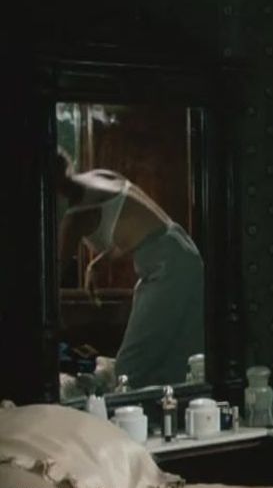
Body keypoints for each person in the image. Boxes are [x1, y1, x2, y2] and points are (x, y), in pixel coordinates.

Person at [55, 148, 204, 389]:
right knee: (179, 355)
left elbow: (53, 274)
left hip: (165, 265)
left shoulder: (75, 217)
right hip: (182, 247)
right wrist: (97, 263)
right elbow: (137, 228)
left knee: (131, 367)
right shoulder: (101, 176)